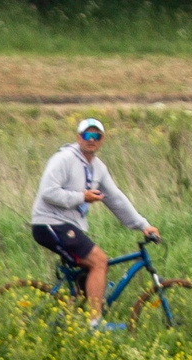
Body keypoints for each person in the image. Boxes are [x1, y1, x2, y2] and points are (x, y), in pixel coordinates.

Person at [29, 117, 160, 332]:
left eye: (96, 136)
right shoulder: (63, 159)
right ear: (78, 137)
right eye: (87, 135)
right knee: (100, 261)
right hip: (50, 224)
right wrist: (81, 197)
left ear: (102, 140)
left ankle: (67, 325)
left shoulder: (98, 168)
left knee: (87, 278)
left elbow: (115, 199)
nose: (92, 140)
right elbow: (48, 192)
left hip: (69, 226)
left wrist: (143, 225)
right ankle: (94, 325)